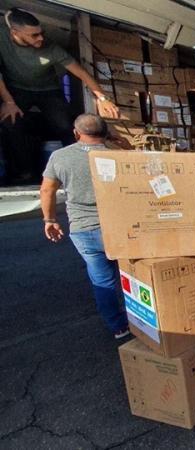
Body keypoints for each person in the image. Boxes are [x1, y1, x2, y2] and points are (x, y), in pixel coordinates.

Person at [0, 7, 119, 183]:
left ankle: (80, 171)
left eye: (41, 33)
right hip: (16, 89)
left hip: (48, 90)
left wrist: (102, 98)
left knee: (65, 126)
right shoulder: (2, 38)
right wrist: (8, 102)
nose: (41, 38)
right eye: (34, 35)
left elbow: (82, 73)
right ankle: (23, 173)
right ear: (15, 33)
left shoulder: (51, 48)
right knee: (10, 123)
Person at [40, 113, 128, 339]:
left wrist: (50, 220)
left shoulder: (60, 156)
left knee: (102, 280)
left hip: (84, 228)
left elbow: (47, 190)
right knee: (134, 276)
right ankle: (145, 322)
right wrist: (123, 144)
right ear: (106, 133)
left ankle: (118, 327)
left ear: (76, 133)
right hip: (120, 228)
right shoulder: (117, 156)